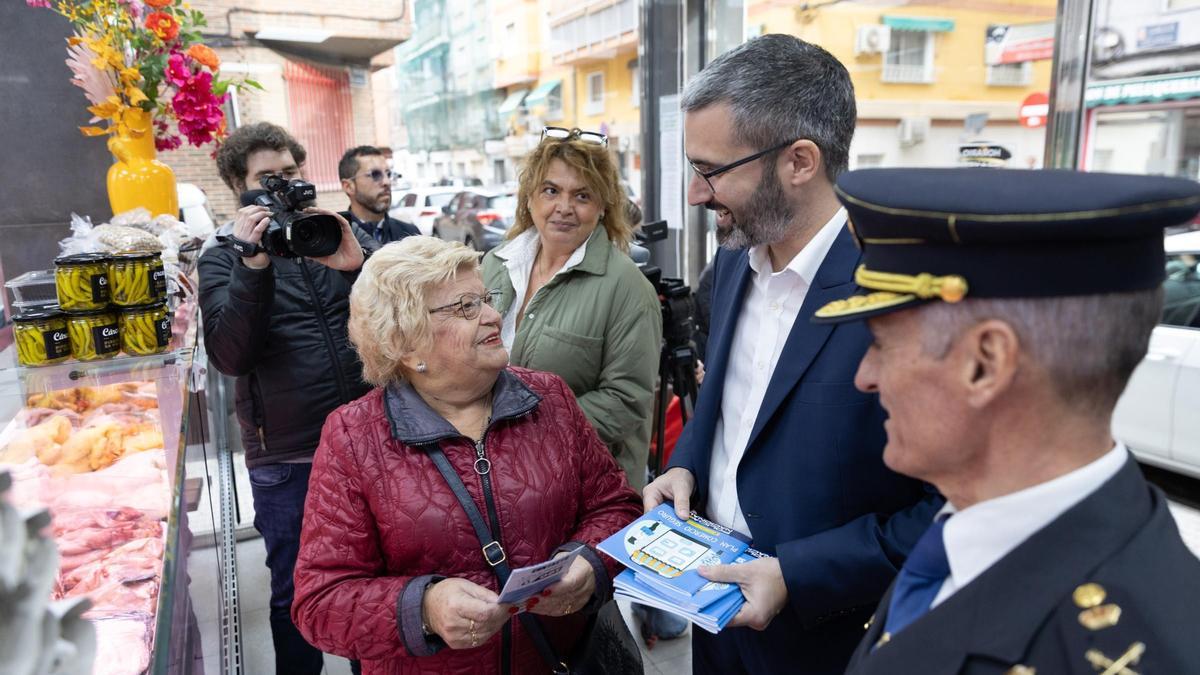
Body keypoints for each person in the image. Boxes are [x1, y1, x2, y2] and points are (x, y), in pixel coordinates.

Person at [813, 167, 1200, 674]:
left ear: (985, 364)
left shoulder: (1116, 650)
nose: (865, 376)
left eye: (881, 344)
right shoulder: (977, 527)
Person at [642, 34, 940, 674]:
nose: (696, 195)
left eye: (712, 171)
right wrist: (686, 466)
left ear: (799, 161)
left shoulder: (900, 293)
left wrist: (798, 574)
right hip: (716, 616)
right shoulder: (729, 267)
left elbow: (950, 509)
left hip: (834, 636)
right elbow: (730, 407)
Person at [290, 236, 643, 674]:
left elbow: (618, 506)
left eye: (486, 299)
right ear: (406, 342)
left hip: (561, 659)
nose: (494, 316)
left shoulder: (548, 396)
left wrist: (590, 562)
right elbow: (321, 602)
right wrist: (424, 608)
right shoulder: (353, 437)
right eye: (464, 307)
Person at [201, 122, 379, 675]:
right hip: (287, 455)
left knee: (369, 584)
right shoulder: (221, 255)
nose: (281, 188)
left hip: (367, 440)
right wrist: (252, 266)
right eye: (265, 178)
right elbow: (231, 356)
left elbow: (398, 318)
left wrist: (360, 267)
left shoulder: (334, 231)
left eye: (290, 174)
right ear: (238, 185)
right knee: (296, 591)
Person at [480, 127, 661, 492]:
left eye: (582, 195)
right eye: (551, 191)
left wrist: (522, 427)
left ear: (602, 207)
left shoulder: (627, 288)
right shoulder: (495, 265)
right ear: (530, 197)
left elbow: (626, 402)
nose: (564, 207)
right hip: (497, 476)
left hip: (581, 488)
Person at [338, 145, 419, 244]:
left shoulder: (411, 235)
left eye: (388, 174)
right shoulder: (336, 240)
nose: (387, 182)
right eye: (375, 174)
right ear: (348, 186)